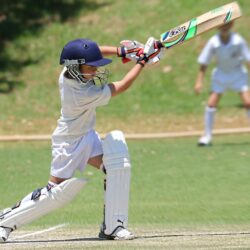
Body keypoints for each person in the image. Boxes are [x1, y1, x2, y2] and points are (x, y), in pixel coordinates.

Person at [0, 37, 163, 242]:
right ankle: (4, 221)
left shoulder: (70, 69)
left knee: (117, 167)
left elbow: (94, 52)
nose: (95, 70)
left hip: (87, 135)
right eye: (91, 67)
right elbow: (121, 86)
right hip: (68, 142)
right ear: (75, 67)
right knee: (56, 193)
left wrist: (123, 52)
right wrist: (142, 61)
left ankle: (113, 226)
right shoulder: (80, 92)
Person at [194, 21, 250, 146]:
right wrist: (199, 81)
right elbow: (204, 62)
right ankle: (207, 136)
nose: (224, 27)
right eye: (222, 25)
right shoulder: (213, 42)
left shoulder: (238, 41)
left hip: (238, 73)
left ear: (231, 26)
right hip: (221, 75)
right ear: (217, 27)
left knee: (248, 102)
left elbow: (248, 59)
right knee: (211, 104)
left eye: (227, 25)